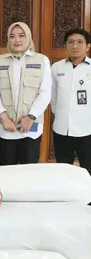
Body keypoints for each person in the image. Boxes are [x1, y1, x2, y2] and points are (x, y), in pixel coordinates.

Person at [0, 22, 51, 165]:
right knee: (7, 171)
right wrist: (4, 117)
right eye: (12, 36)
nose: (17, 40)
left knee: (28, 173)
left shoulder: (42, 60)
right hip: (6, 128)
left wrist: (31, 117)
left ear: (28, 37)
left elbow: (45, 92)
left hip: (31, 128)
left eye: (21, 35)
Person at [51, 28, 91, 174]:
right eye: (71, 42)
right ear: (66, 45)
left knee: (88, 170)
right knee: (63, 171)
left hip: (87, 130)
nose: (75, 46)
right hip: (62, 129)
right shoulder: (56, 68)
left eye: (79, 42)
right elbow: (53, 96)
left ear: (88, 46)